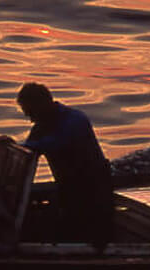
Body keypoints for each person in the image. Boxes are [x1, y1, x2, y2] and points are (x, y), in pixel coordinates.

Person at [15, 82, 114, 250]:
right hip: (67, 187)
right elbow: (27, 152)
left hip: (94, 188)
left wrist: (25, 146)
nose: (30, 119)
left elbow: (58, 142)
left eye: (31, 112)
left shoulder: (75, 119)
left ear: (43, 104)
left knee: (93, 237)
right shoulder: (40, 127)